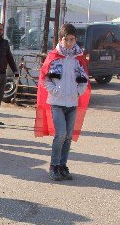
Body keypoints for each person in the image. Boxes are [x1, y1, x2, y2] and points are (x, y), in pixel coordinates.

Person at [35, 23, 91, 181]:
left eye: (72, 40)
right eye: (66, 39)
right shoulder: (53, 56)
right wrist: (55, 90)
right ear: (61, 39)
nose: (69, 43)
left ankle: (62, 165)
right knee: (60, 134)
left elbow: (84, 80)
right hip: (56, 102)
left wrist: (77, 92)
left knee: (68, 137)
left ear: (76, 40)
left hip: (72, 103)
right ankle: (53, 166)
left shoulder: (78, 58)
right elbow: (44, 78)